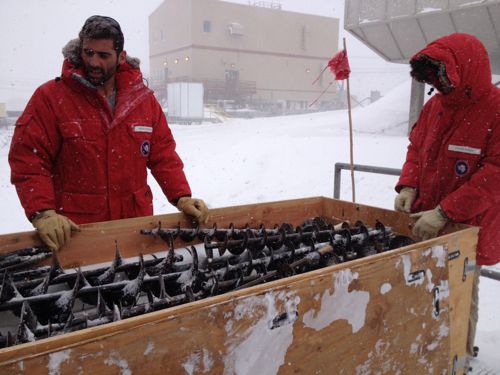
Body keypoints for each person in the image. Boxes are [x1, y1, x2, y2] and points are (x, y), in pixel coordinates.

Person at [9, 15, 209, 251]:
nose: (94, 62)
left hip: (134, 229)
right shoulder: (51, 98)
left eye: (103, 56)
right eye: (88, 52)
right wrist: (42, 212)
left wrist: (181, 196)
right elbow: (29, 158)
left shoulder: (142, 101)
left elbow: (163, 155)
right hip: (77, 235)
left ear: (121, 56)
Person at [394, 32, 500, 367]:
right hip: (428, 220)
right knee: (423, 288)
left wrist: (445, 211)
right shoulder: (435, 107)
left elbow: (495, 174)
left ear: (464, 70)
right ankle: (425, 348)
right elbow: (416, 148)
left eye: (442, 76)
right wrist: (408, 186)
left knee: (460, 294)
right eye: (432, 78)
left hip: (469, 224)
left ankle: (458, 359)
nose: (438, 84)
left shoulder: (495, 110)